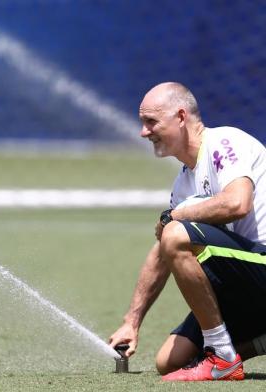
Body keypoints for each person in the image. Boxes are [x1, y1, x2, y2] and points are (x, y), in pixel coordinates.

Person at [109, 82, 266, 381]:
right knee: (170, 360)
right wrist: (132, 321)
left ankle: (223, 357)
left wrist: (175, 217)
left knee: (176, 233)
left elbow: (238, 203)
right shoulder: (183, 184)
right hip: (246, 283)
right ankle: (259, 340)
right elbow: (161, 255)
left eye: (151, 121)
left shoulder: (224, 143)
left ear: (181, 117)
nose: (144, 132)